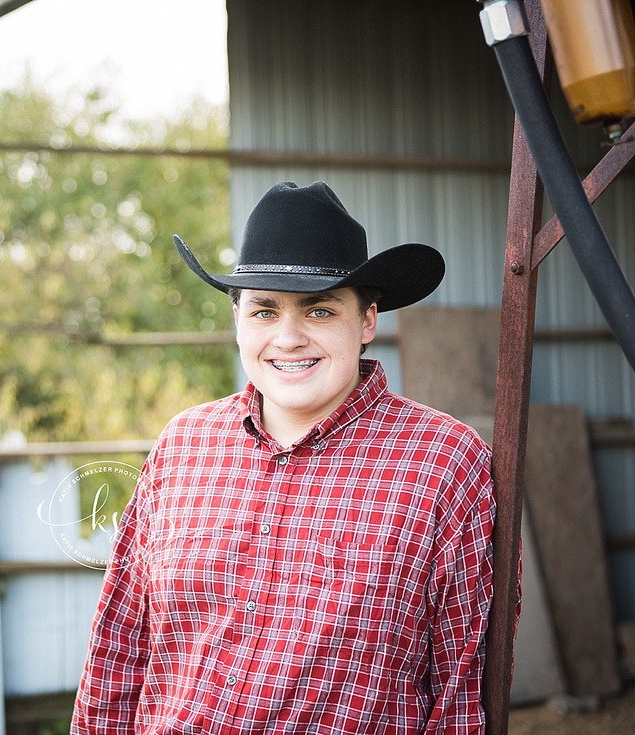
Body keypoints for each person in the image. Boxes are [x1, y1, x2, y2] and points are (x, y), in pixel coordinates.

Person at [71, 181, 498, 734]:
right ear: (237, 320)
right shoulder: (182, 446)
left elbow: (460, 695)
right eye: (264, 311)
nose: (288, 337)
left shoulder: (443, 464)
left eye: (319, 311)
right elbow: (117, 654)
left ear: (367, 320)